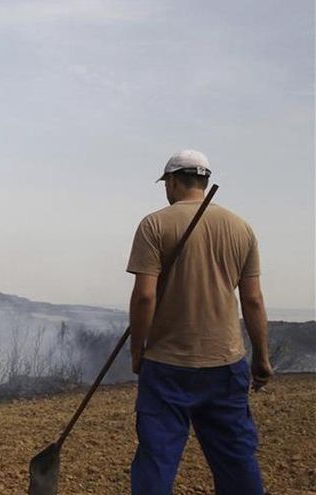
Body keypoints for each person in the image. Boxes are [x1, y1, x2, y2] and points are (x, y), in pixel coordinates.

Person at [126, 150, 272, 495]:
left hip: (166, 365)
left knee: (156, 460)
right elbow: (252, 300)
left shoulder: (154, 224)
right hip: (225, 362)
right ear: (204, 183)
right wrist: (261, 357)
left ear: (173, 182)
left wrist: (137, 353)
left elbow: (145, 296)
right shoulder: (242, 228)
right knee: (236, 459)